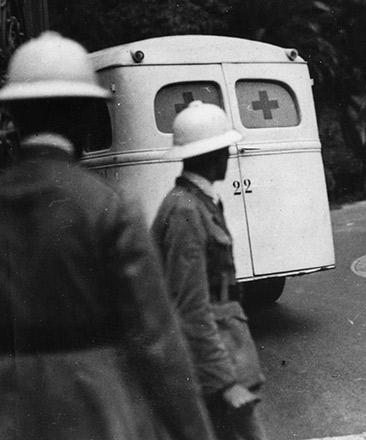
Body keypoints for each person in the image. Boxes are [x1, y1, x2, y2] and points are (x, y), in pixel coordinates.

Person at [0, 32, 215, 439]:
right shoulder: (105, 205)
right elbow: (157, 339)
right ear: (85, 115)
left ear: (13, 114)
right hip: (95, 407)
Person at [151, 101, 267, 440]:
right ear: (214, 154)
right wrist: (224, 381)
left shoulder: (198, 202)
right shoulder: (185, 210)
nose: (228, 156)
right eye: (225, 149)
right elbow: (190, 306)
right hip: (214, 365)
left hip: (226, 351)